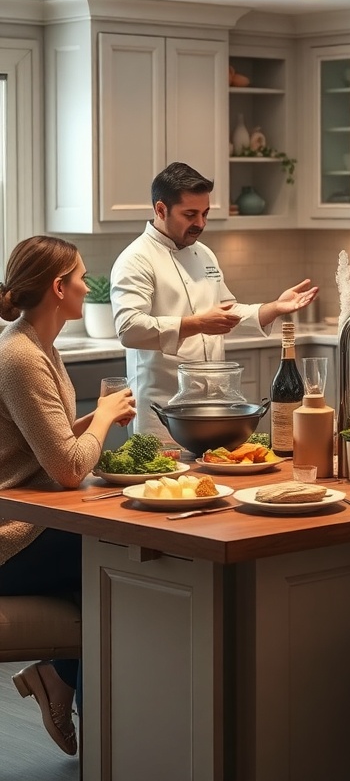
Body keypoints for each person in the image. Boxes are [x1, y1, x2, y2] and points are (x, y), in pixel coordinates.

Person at [0, 236, 136, 757]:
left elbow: (48, 443)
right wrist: (101, 417)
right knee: (111, 554)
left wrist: (92, 419)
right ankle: (76, 691)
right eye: (81, 276)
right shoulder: (20, 356)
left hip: (35, 520)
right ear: (59, 288)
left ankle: (63, 682)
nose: (87, 284)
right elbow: (67, 467)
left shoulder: (39, 345)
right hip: (11, 536)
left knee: (107, 551)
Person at [110, 162, 318, 439]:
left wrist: (273, 308)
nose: (201, 223)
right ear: (160, 209)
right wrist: (196, 324)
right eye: (190, 214)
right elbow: (129, 329)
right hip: (163, 413)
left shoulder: (204, 254)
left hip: (214, 409)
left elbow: (226, 312)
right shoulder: (135, 260)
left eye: (205, 213)